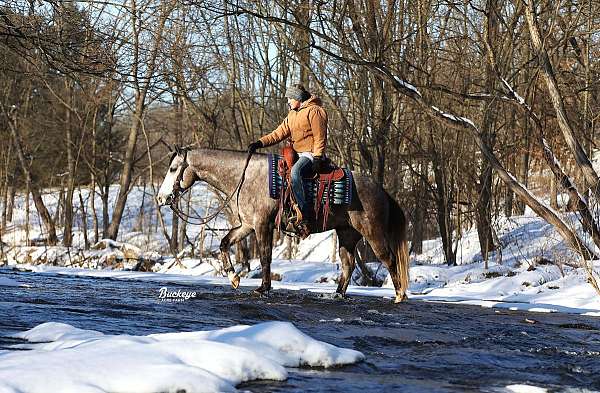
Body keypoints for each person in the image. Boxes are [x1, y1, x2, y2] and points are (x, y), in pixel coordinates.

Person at [248, 83, 328, 231]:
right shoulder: (292, 114)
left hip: (310, 154)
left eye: (290, 98)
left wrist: (317, 157)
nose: (288, 101)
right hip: (297, 153)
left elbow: (320, 137)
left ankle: (305, 213)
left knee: (295, 172)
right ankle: (287, 208)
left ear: (298, 98)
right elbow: (278, 133)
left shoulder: (315, 111)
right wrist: (259, 143)